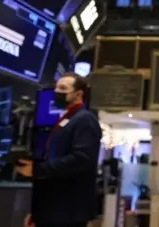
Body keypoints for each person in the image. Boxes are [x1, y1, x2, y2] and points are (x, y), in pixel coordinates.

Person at [16, 73, 102, 227]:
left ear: (79, 93)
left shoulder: (85, 119)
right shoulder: (67, 119)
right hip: (53, 210)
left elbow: (81, 159)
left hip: (67, 211)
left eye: (63, 88)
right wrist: (38, 213)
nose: (57, 92)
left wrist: (38, 169)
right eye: (56, 88)